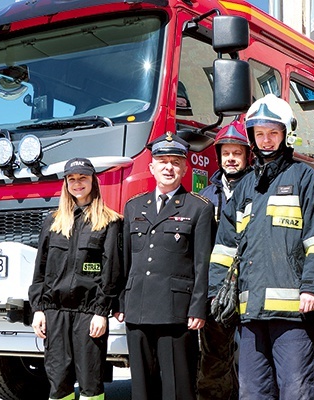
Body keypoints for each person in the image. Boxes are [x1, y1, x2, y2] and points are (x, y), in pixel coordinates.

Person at [208, 93, 314, 399]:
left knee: (296, 390)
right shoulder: (245, 186)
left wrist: (312, 287)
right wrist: (215, 293)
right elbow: (225, 247)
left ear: (286, 134)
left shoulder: (305, 178)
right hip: (250, 313)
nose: (266, 140)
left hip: (292, 314)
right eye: (260, 133)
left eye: (273, 133)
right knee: (252, 391)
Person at [119, 132, 215, 400]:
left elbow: (202, 262)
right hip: (137, 308)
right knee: (141, 388)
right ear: (152, 167)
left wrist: (198, 307)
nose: (168, 167)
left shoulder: (199, 208)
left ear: (185, 167)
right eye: (162, 161)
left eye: (175, 161)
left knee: (178, 386)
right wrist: (120, 303)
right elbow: (125, 259)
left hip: (177, 312)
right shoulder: (134, 206)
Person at [29, 157, 123, 400]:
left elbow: (111, 271)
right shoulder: (53, 221)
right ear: (66, 184)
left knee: (91, 383)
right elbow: (40, 268)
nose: (77, 183)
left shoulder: (109, 222)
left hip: (88, 313)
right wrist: (39, 309)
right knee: (58, 382)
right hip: (55, 311)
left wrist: (101, 311)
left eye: (83, 178)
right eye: (72, 179)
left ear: (94, 181)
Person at [197, 120, 251, 400]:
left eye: (237, 153)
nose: (231, 158)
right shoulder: (206, 197)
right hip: (218, 289)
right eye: (226, 153)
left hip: (251, 285)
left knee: (254, 361)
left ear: (247, 156)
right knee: (215, 356)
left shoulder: (259, 190)